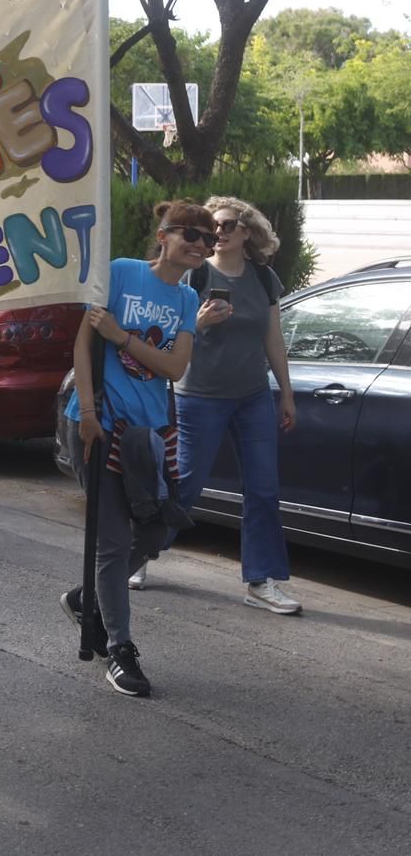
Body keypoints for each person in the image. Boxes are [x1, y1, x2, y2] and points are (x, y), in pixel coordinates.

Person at [58, 200, 211, 698]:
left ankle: (87, 598)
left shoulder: (188, 298)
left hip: (146, 436)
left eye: (207, 239)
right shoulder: (120, 272)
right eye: (190, 233)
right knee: (114, 543)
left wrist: (121, 336)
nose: (200, 244)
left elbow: (173, 369)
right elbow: (83, 344)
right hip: (98, 425)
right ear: (164, 233)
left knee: (157, 530)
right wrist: (86, 412)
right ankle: (120, 650)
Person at [142, 196, 301, 614]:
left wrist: (285, 393)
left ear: (247, 231)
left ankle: (260, 581)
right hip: (200, 397)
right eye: (214, 228)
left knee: (264, 489)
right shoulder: (193, 276)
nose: (219, 234)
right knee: (186, 486)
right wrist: (199, 322)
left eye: (228, 226)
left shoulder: (264, 279)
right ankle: (139, 553)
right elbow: (171, 334)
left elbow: (274, 339)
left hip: (252, 396)